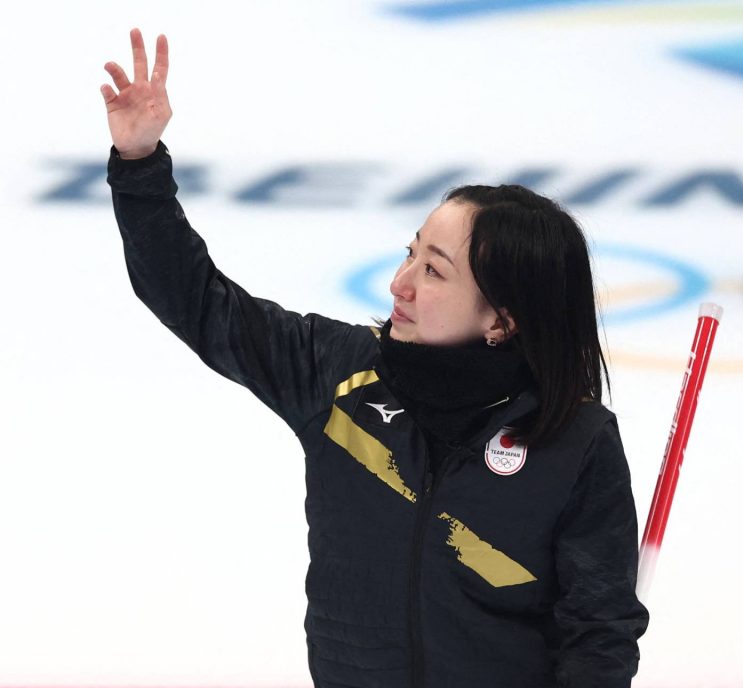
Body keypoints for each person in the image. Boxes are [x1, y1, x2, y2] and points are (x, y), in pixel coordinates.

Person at [102, 28, 649, 688]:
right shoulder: (337, 374)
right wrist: (139, 165)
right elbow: (195, 300)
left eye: (435, 271)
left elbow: (598, 635)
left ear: (502, 317)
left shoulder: (575, 443)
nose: (401, 284)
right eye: (409, 252)